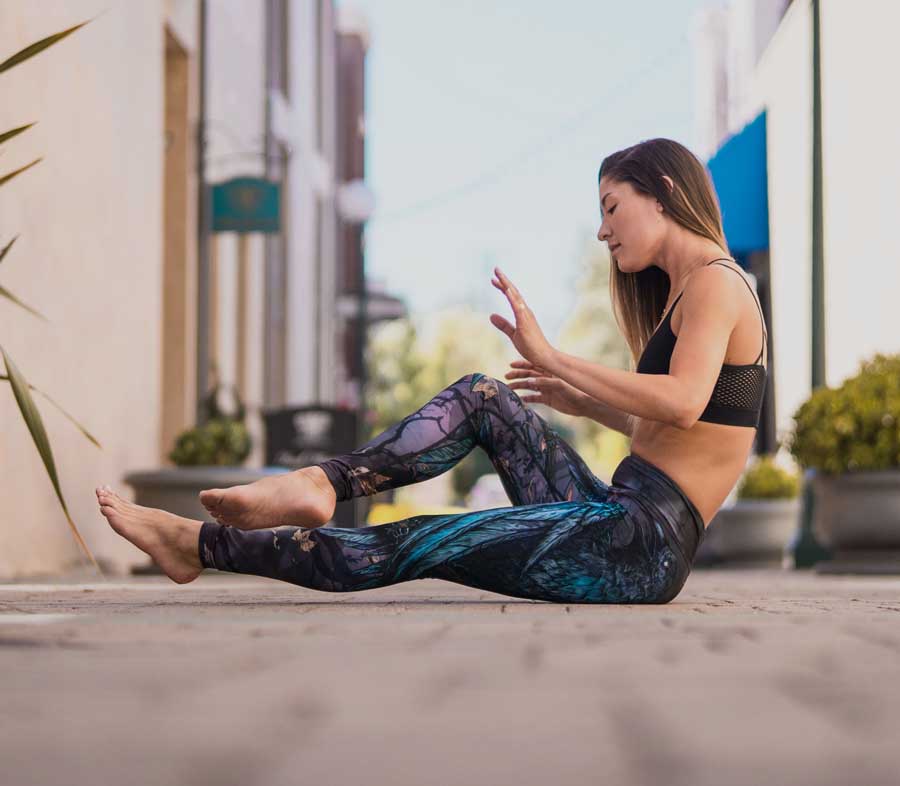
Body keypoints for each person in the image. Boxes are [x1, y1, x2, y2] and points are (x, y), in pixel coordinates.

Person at [96, 137, 767, 604]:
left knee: (425, 541)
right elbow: (681, 430)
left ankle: (198, 546)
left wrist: (557, 356)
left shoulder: (715, 282)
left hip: (639, 548)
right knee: (483, 397)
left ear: (665, 194)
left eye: (611, 207)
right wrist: (580, 402)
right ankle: (323, 482)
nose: (601, 230)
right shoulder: (695, 286)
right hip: (619, 516)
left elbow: (681, 403)